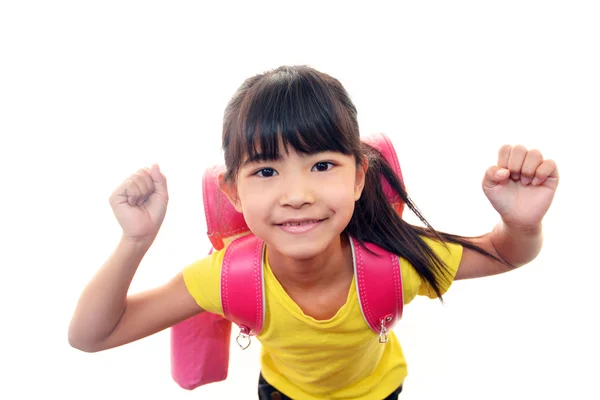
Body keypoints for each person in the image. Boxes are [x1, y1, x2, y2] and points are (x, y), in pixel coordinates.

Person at [68, 65, 559, 399]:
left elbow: (505, 253)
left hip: (379, 392)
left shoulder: (397, 258)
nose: (297, 193)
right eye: (265, 171)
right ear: (233, 192)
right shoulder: (225, 278)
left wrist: (521, 223)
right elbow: (92, 336)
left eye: (322, 164)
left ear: (359, 176)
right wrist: (135, 241)